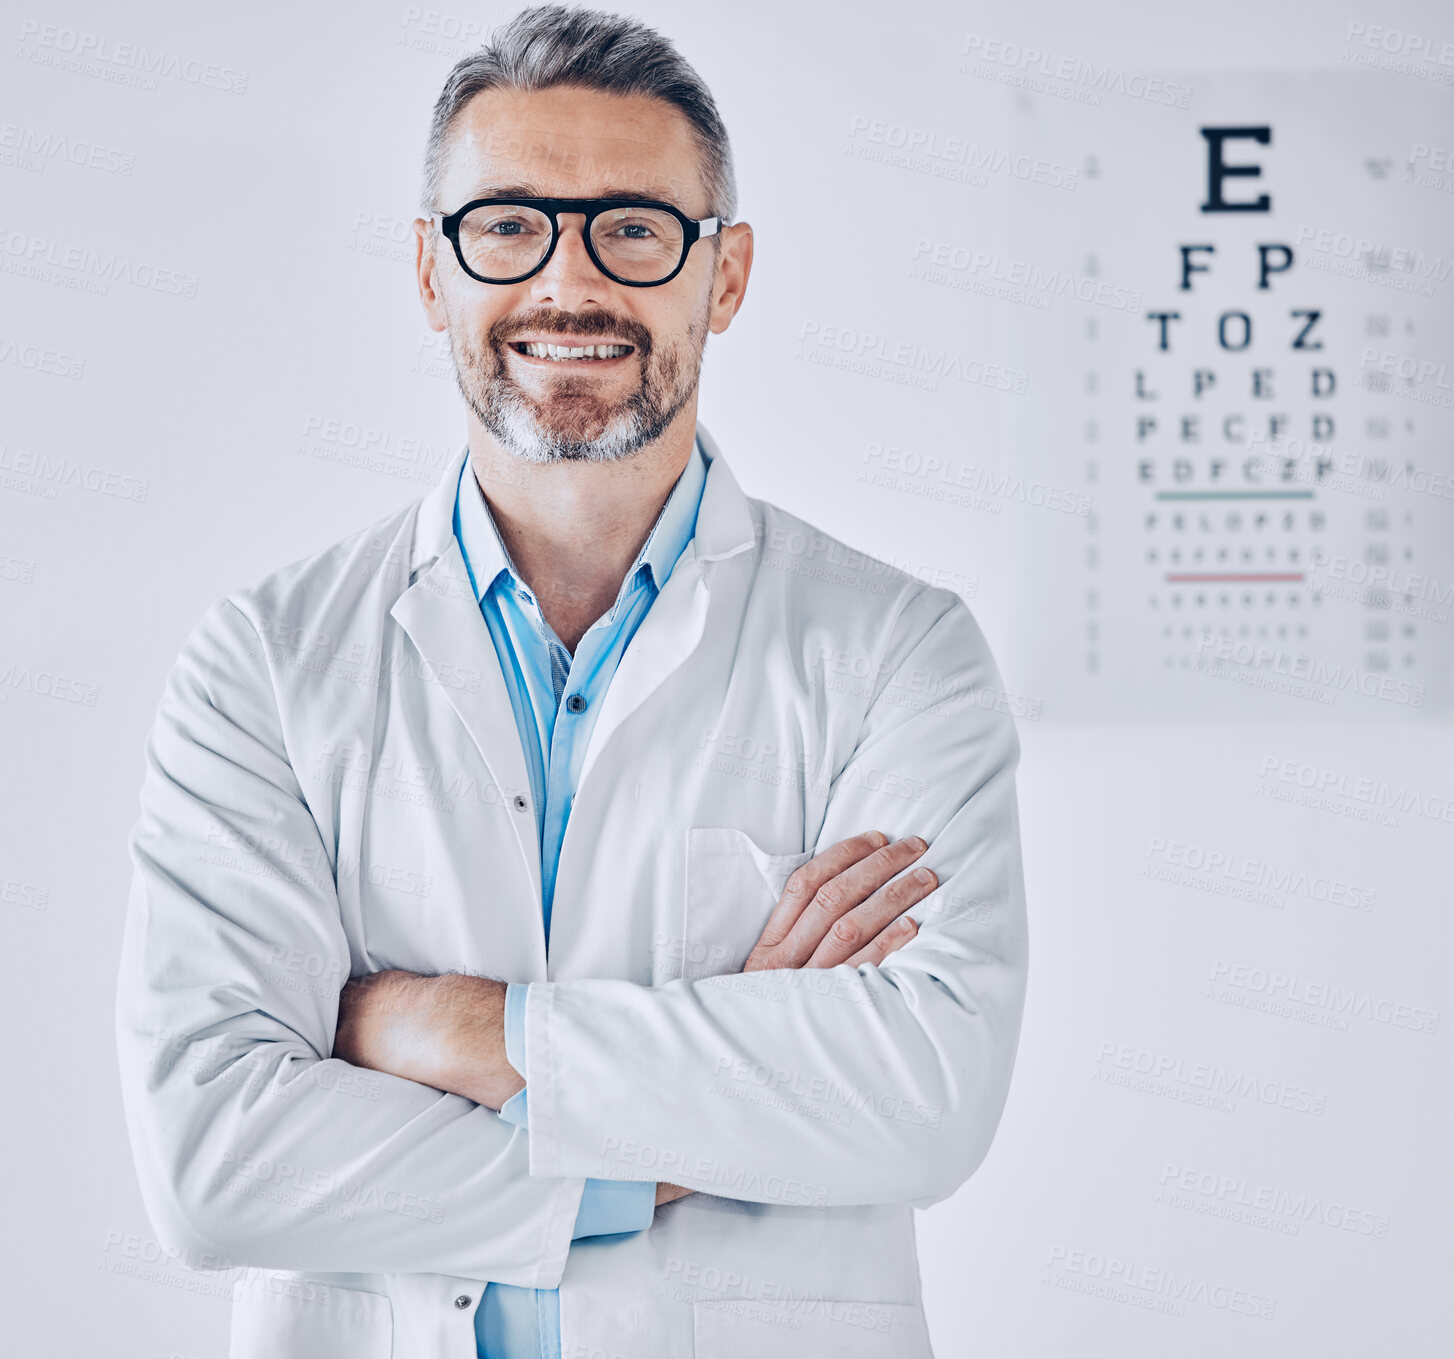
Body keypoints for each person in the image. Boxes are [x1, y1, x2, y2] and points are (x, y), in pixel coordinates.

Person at [115, 6, 1028, 1356]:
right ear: (432, 274)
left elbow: (919, 1095)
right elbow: (212, 1164)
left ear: (725, 277)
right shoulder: (267, 661)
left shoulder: (898, 651)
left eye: (636, 229)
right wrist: (684, 1127)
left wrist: (444, 1029)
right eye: (507, 226)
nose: (569, 283)